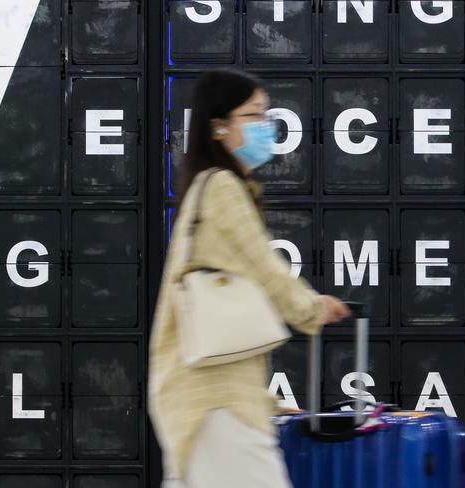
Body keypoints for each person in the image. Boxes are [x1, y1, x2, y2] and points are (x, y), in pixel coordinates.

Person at [148, 67, 351, 488]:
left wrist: (265, 402)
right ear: (219, 127)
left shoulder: (205, 186)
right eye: (255, 115)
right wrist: (313, 308)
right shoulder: (222, 187)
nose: (266, 126)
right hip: (217, 403)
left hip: (202, 397)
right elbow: (265, 267)